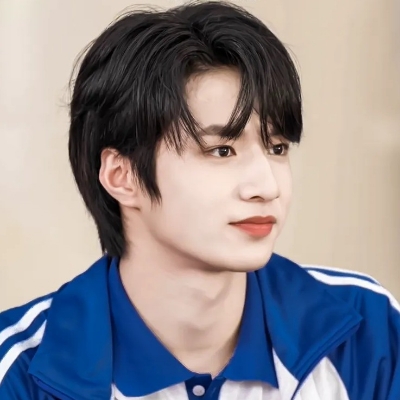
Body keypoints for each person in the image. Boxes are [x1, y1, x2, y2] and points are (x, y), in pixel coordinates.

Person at [0, 1, 399, 399]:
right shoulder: (19, 372)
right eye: (222, 151)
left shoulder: (367, 332)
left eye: (277, 148)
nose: (267, 187)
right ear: (122, 177)